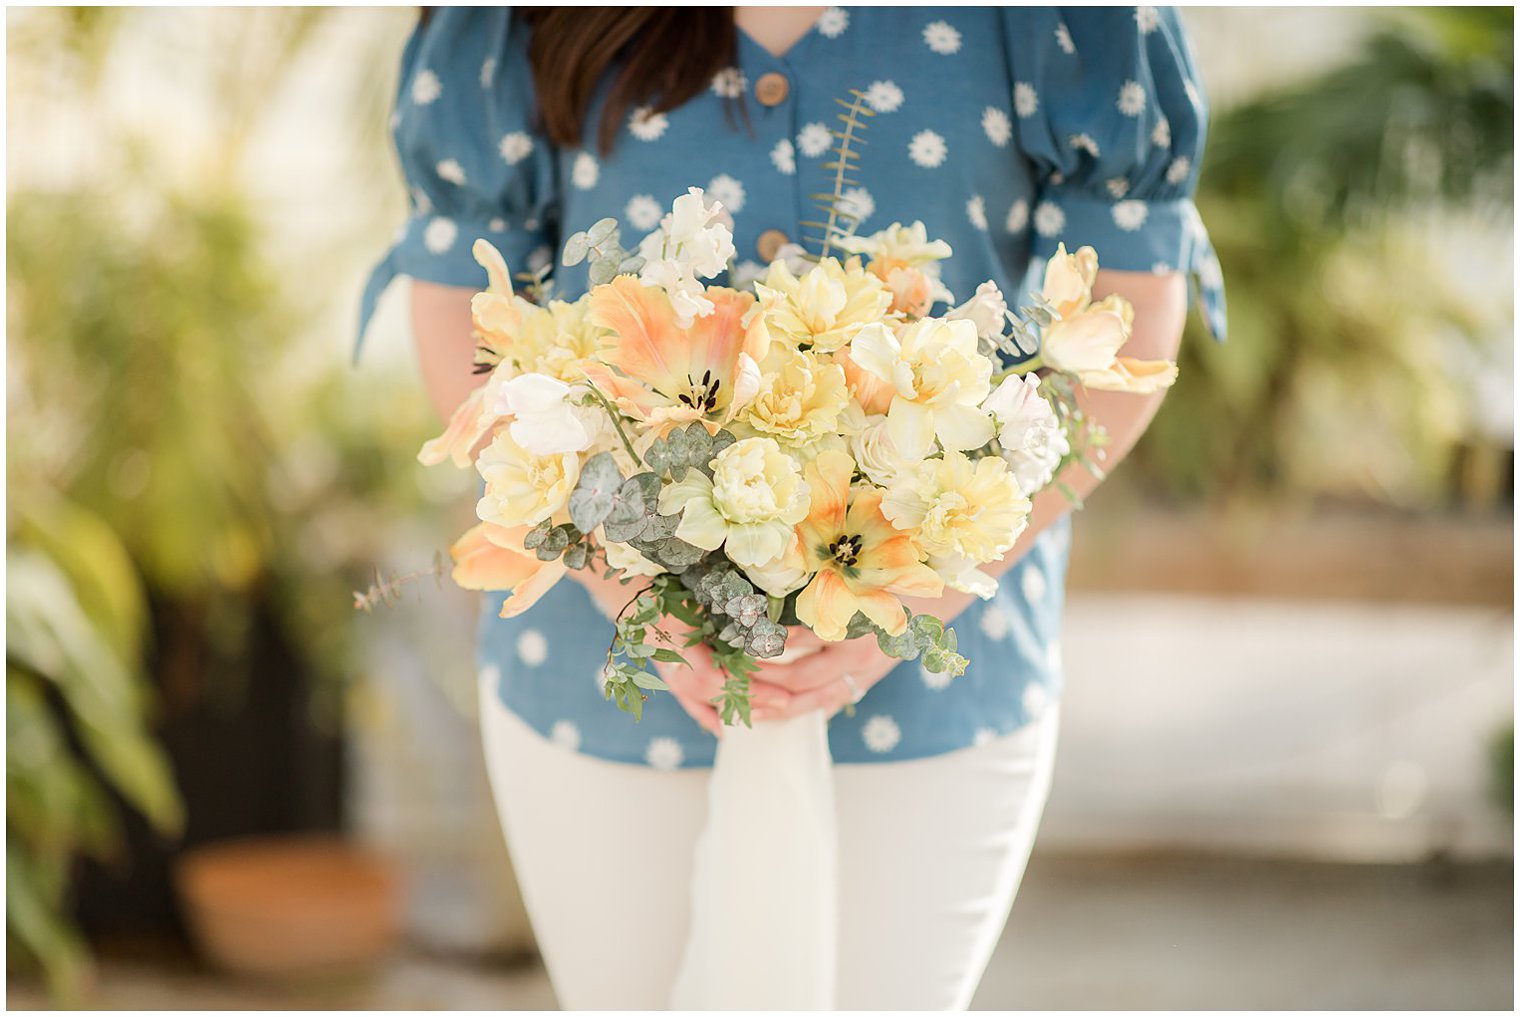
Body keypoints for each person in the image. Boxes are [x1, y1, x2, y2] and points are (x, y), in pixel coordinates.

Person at [356, 6, 1225, 1009]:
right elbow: (462, 298)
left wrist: (916, 590)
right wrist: (615, 577)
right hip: (604, 680)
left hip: (933, 687)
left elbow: (1125, 289)